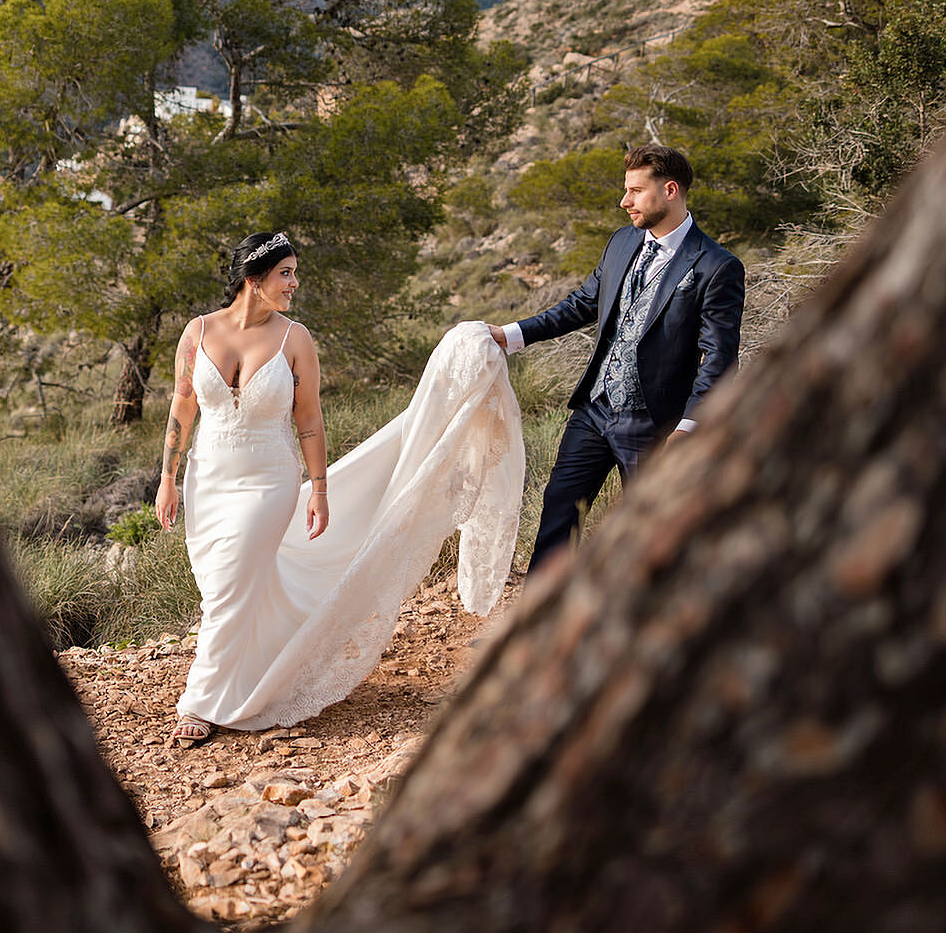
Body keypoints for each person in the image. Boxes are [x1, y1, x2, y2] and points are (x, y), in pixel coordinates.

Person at [156, 232, 526, 746]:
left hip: (269, 483)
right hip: (206, 481)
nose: (294, 283)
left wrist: (320, 490)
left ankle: (200, 702)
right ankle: (261, 672)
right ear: (253, 277)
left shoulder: (295, 339)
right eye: (285, 272)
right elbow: (182, 405)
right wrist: (168, 478)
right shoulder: (197, 333)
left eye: (295, 272)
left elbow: (309, 421)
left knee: (230, 588)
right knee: (226, 586)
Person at [489, 143, 744, 570]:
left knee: (652, 531)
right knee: (559, 510)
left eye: (635, 191)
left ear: (670, 190)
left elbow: (718, 358)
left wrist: (689, 427)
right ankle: (542, 628)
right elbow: (581, 304)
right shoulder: (622, 242)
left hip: (653, 424)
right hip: (595, 409)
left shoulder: (716, 266)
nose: (624, 202)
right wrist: (511, 334)